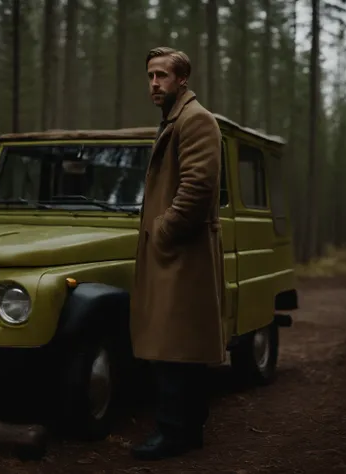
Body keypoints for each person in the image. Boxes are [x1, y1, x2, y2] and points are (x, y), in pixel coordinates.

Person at [129, 46, 226, 461]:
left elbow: (198, 189)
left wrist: (164, 232)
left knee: (171, 346)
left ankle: (173, 432)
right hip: (173, 253)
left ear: (181, 79)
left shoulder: (195, 119)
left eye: (162, 75)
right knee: (179, 346)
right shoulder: (175, 118)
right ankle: (188, 430)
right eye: (150, 75)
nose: (154, 83)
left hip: (181, 253)